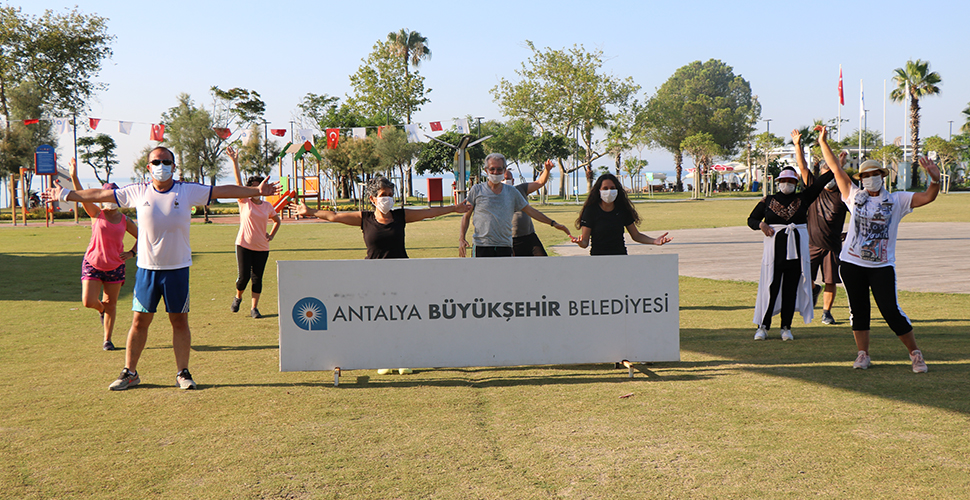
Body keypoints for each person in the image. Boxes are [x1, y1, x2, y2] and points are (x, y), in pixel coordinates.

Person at [45, 146, 279, 390]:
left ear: (174, 166)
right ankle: (130, 373)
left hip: (177, 269)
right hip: (147, 270)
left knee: (179, 321)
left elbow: (222, 190)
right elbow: (100, 195)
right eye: (156, 162)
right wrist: (66, 194)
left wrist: (256, 191)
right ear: (148, 167)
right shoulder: (138, 191)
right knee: (139, 322)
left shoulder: (187, 190)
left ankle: (183, 373)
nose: (161, 166)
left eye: (166, 162)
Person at [817, 125, 940, 373]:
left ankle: (915, 354)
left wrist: (935, 179)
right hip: (852, 263)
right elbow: (836, 169)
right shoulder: (853, 195)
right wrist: (823, 142)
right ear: (861, 179)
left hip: (881, 265)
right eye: (866, 175)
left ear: (882, 177)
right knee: (858, 310)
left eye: (875, 174)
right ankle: (863, 354)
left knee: (890, 310)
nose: (871, 178)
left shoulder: (897, 200)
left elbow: (928, 196)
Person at [747, 162, 834, 341]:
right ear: (778, 182)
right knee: (770, 288)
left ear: (796, 183)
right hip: (774, 254)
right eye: (783, 181)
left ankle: (786, 327)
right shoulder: (768, 200)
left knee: (790, 290)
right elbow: (751, 219)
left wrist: (836, 167)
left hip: (796, 255)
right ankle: (763, 326)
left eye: (791, 181)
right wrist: (761, 225)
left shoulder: (803, 198)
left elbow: (819, 183)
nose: (787, 184)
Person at [296, 175, 470, 258]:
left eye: (390, 194)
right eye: (383, 195)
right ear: (373, 199)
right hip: (373, 274)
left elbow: (429, 213)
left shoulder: (401, 216)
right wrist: (310, 211)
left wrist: (454, 208)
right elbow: (334, 216)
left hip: (401, 272)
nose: (387, 198)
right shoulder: (364, 219)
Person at [68, 158, 138, 351]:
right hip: (93, 263)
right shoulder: (96, 213)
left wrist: (132, 253)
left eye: (113, 197)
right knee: (88, 301)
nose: (109, 201)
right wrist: (74, 177)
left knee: (111, 303)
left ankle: (107, 340)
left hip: (115, 266)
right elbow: (81, 197)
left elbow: (142, 236)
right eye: (106, 196)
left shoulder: (125, 220)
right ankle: (101, 310)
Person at [459, 153, 571, 257]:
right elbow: (466, 216)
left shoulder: (512, 192)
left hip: (505, 246)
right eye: (492, 169)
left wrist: (553, 223)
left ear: (504, 170)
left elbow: (531, 211)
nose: (495, 172)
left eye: (499, 169)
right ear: (486, 170)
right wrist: (462, 239)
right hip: (482, 245)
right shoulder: (477, 190)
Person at [791, 130, 849, 325]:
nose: (828, 180)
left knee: (831, 281)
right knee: (804, 277)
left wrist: (849, 234)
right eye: (825, 176)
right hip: (811, 243)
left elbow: (859, 214)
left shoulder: (843, 193)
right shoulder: (813, 190)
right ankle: (814, 289)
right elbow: (802, 166)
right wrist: (797, 145)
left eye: (831, 175)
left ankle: (826, 312)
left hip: (832, 245)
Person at [226, 147, 281, 319]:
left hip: (262, 247)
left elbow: (277, 220)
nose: (257, 190)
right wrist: (235, 162)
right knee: (243, 278)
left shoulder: (267, 206)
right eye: (254, 187)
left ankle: (254, 308)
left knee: (257, 279)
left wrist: (271, 235)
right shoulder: (244, 201)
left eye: (259, 187)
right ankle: (238, 297)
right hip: (244, 244)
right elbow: (238, 184)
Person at [571, 173, 671, 255]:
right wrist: (579, 242)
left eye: (612, 188)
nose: (609, 191)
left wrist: (654, 241)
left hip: (620, 258)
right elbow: (585, 242)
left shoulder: (622, 209)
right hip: (598, 259)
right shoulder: (591, 210)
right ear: (599, 191)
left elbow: (636, 235)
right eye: (605, 188)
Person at [508, 160, 555, 256]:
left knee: (544, 262)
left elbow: (540, 182)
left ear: (513, 181)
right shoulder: (496, 196)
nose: (505, 181)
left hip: (529, 236)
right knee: (514, 264)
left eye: (508, 179)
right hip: (509, 239)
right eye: (503, 179)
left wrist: (547, 170)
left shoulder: (520, 189)